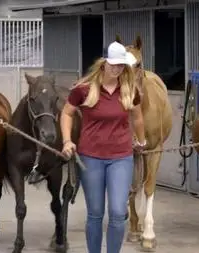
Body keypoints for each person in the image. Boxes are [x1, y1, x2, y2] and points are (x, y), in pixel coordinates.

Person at [60, 41, 146, 253]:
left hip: (121, 157)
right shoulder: (84, 89)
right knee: (95, 213)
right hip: (91, 158)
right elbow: (66, 113)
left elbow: (137, 116)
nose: (116, 69)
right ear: (104, 63)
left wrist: (141, 141)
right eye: (113, 64)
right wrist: (67, 140)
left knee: (117, 213)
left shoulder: (129, 90)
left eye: (120, 65)